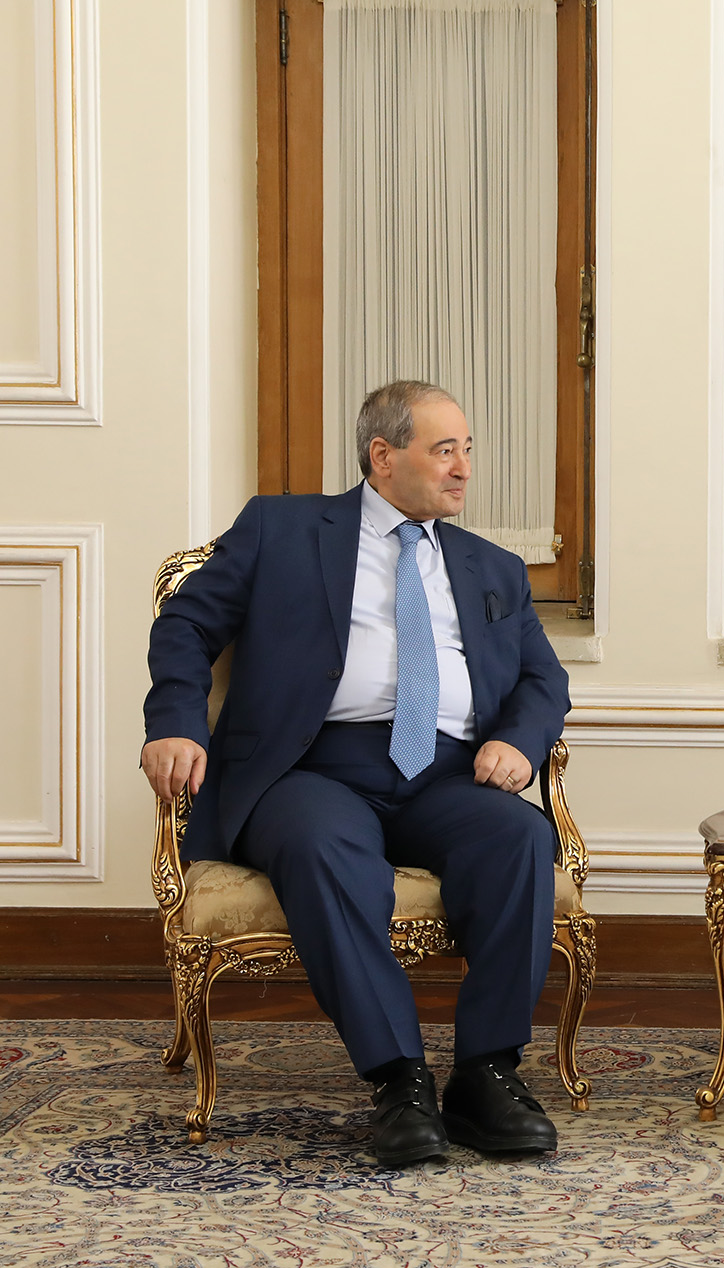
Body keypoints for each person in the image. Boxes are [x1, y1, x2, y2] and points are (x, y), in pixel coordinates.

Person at [141, 380, 571, 1167]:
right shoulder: (281, 528)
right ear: (383, 455)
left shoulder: (493, 567)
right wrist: (174, 721)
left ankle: (486, 1075)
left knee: (517, 837)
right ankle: (398, 1079)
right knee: (320, 846)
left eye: (467, 450)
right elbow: (187, 624)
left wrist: (518, 740)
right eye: (444, 451)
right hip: (313, 769)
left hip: (448, 773)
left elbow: (545, 680)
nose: (464, 469)